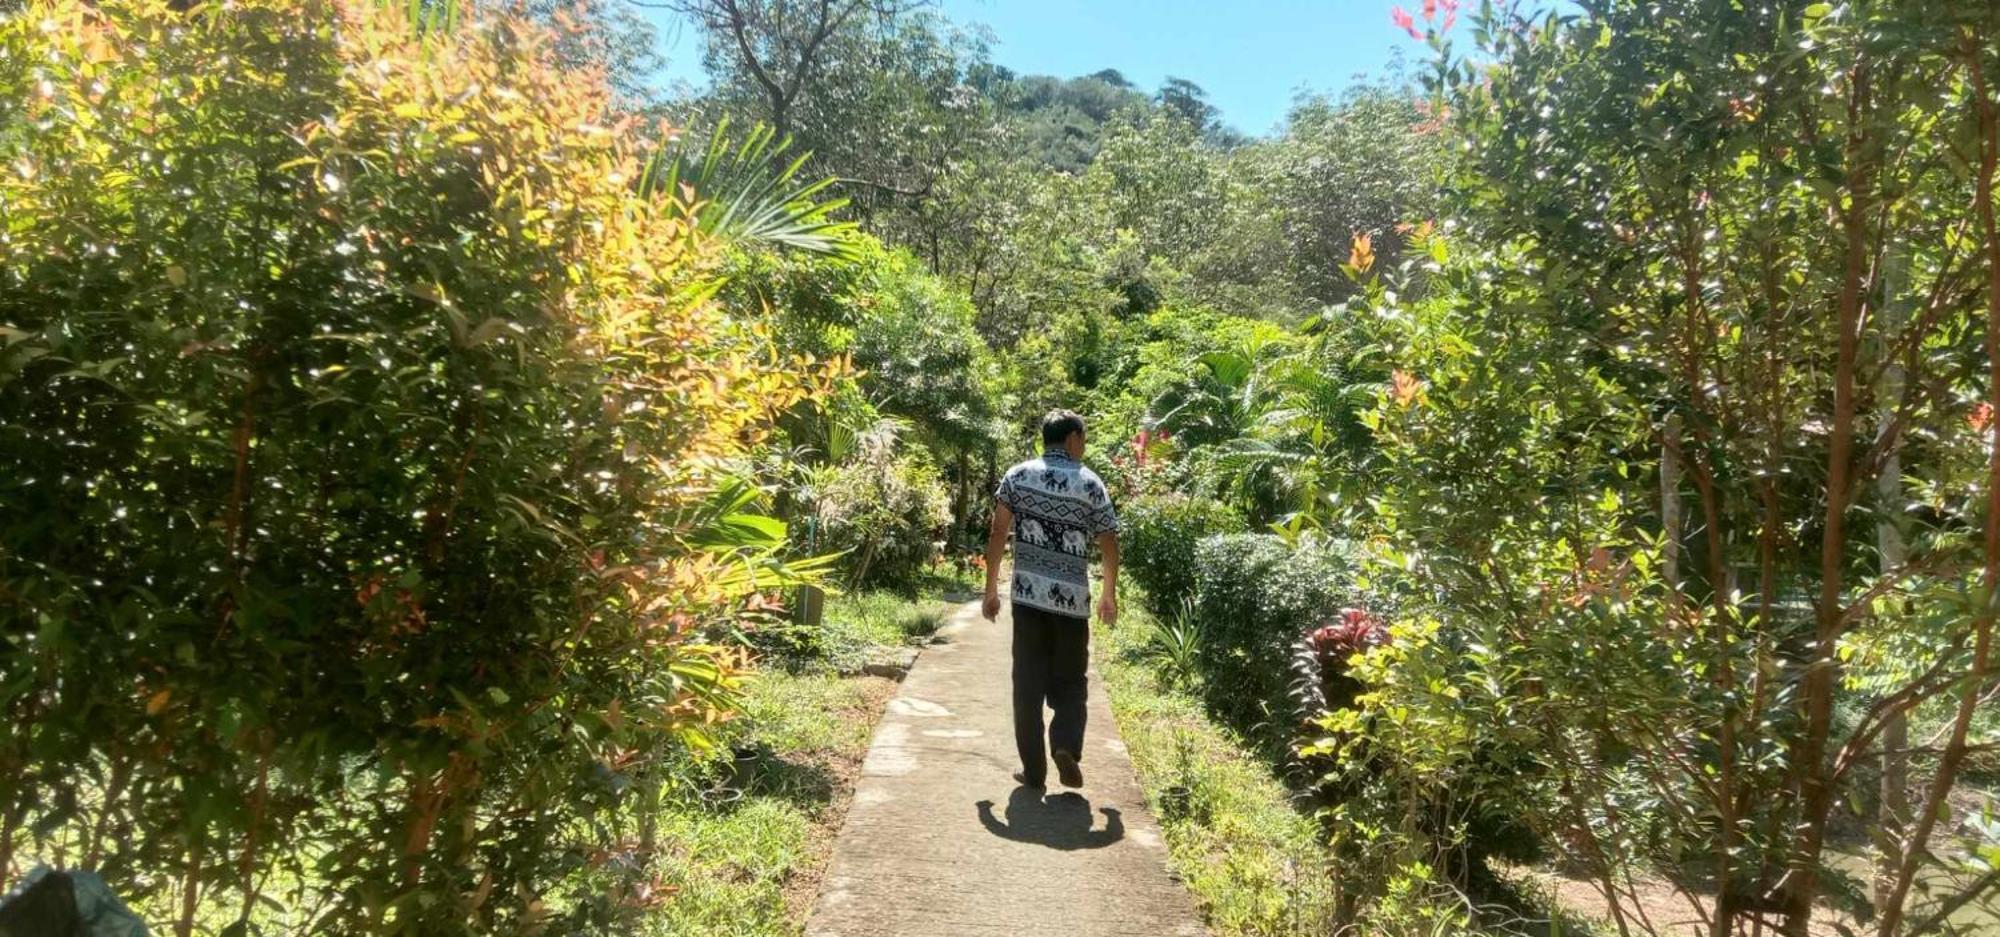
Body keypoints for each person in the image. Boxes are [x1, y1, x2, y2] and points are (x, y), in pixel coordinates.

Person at [982, 409, 1119, 790]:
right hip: (1072, 605)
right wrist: (1109, 593)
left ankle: (1034, 771)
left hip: (1028, 601)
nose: (1084, 447)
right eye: (1084, 440)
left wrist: (991, 588)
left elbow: (997, 532)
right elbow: (1109, 541)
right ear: (1073, 438)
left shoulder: (1018, 476)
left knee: (1027, 685)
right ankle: (1064, 746)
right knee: (1072, 682)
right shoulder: (1091, 484)